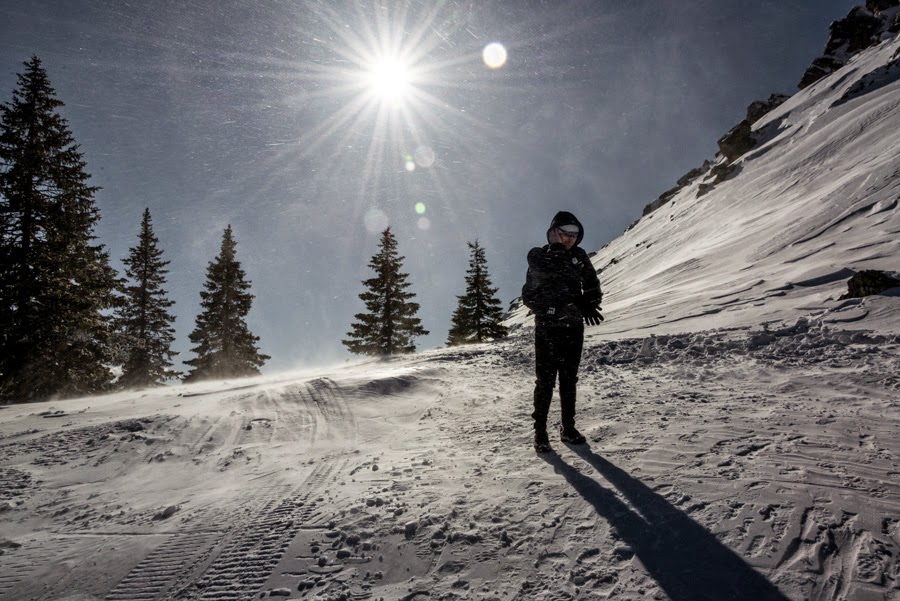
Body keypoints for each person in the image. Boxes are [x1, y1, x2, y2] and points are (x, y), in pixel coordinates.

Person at [521, 211, 603, 452]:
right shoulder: (538, 255)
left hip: (573, 328)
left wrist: (590, 301)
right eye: (565, 232)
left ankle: (568, 428)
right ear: (553, 232)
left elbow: (591, 281)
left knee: (569, 380)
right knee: (545, 381)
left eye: (575, 234)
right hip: (547, 328)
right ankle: (540, 432)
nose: (570, 238)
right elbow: (530, 294)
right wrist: (550, 309)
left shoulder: (578, 256)